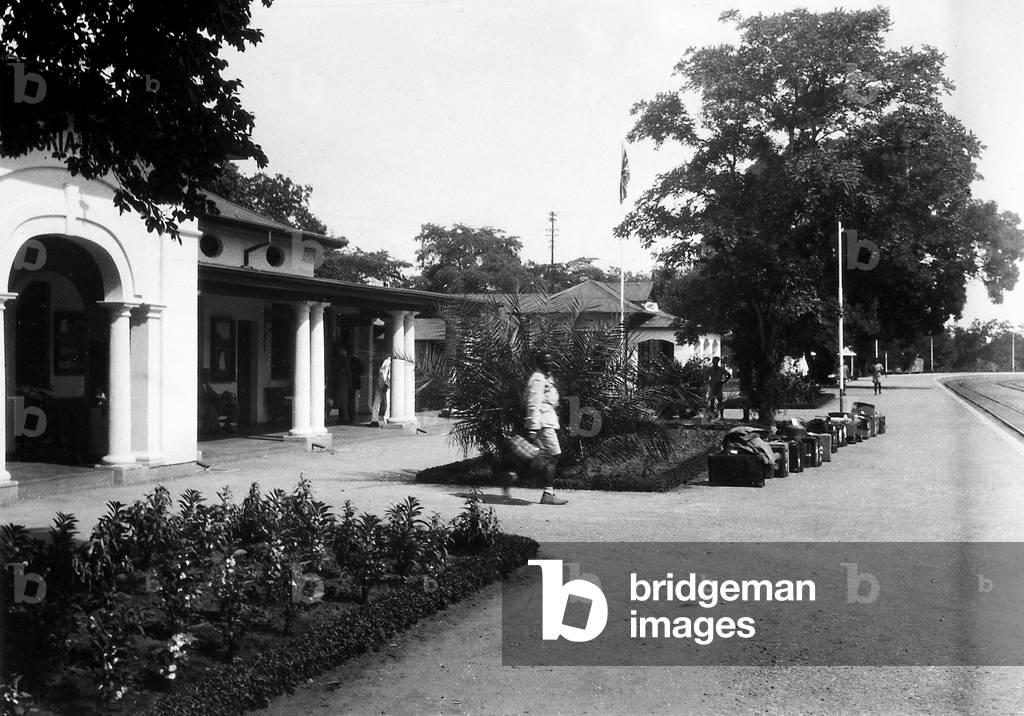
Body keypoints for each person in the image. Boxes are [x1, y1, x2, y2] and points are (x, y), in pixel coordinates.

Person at [524, 351, 567, 505]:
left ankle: (548, 492)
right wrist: (533, 429)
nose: (549, 363)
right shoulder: (538, 379)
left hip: (548, 421)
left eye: (550, 361)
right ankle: (548, 493)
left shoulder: (547, 378)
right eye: (545, 361)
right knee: (554, 456)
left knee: (552, 457)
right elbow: (533, 403)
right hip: (542, 423)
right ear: (539, 363)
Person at [332, 345, 353, 424]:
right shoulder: (340, 363)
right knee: (341, 403)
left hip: (343, 385)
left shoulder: (344, 363)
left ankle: (345, 419)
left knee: (343, 403)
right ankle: (342, 418)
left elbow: (348, 373)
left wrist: (349, 384)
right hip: (341, 385)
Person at [370, 354, 391, 427]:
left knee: (388, 403)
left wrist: (387, 384)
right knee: (376, 402)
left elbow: (390, 374)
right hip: (379, 384)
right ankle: (374, 420)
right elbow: (381, 373)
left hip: (386, 385)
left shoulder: (390, 361)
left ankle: (386, 419)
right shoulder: (383, 361)